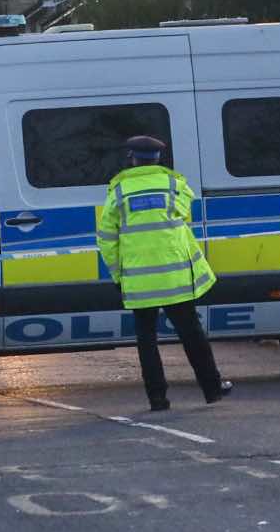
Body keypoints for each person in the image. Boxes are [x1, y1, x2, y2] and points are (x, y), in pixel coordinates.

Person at [97, 135, 230, 411]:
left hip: (138, 280)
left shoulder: (118, 192)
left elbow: (107, 239)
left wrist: (117, 276)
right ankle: (212, 389)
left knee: (147, 340)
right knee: (192, 334)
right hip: (174, 277)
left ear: (131, 158)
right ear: (158, 159)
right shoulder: (174, 185)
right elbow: (184, 216)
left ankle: (157, 398)